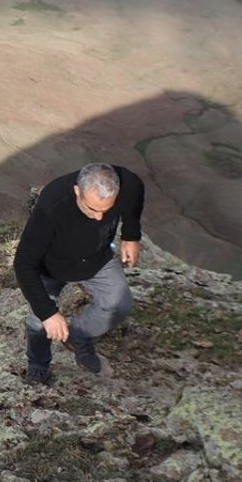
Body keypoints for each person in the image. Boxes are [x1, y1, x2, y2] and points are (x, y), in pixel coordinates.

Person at [13, 162, 145, 385]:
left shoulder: (126, 183)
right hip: (51, 267)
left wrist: (131, 235)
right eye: (91, 209)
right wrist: (48, 313)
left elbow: (135, 189)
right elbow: (24, 263)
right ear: (77, 191)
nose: (99, 218)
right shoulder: (52, 205)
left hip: (96, 258)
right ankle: (38, 364)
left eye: (106, 210)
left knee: (119, 303)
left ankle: (80, 335)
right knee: (38, 323)